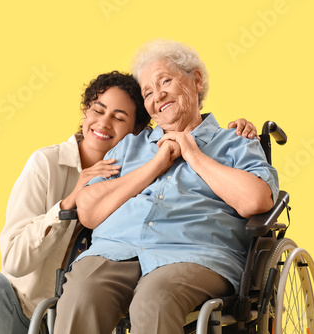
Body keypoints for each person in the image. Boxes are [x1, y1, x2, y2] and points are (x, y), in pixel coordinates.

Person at [0, 70, 257, 334]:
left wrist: (225, 137)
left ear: (139, 130)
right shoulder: (48, 163)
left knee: (152, 297)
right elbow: (15, 258)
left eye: (119, 117)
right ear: (85, 113)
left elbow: (251, 193)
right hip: (32, 307)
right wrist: (68, 204)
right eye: (97, 110)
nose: (103, 123)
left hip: (107, 290)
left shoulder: (133, 156)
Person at [54, 40, 279, 334]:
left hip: (195, 254)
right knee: (82, 293)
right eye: (148, 92)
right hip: (114, 250)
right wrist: (156, 165)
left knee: (154, 299)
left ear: (196, 81)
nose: (158, 96)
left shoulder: (235, 141)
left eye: (166, 81)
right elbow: (89, 210)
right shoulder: (129, 147)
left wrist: (194, 155)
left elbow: (256, 201)